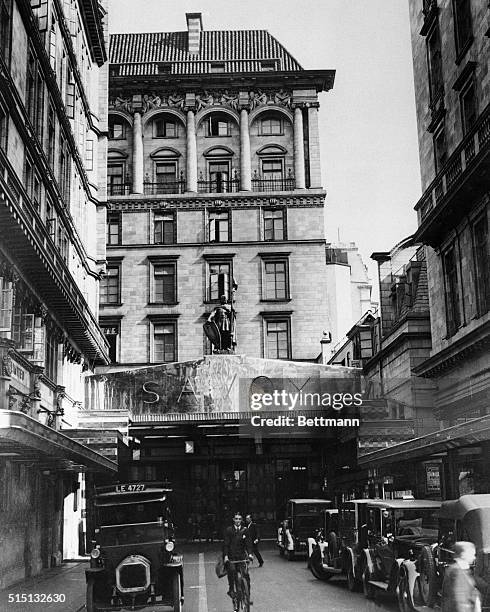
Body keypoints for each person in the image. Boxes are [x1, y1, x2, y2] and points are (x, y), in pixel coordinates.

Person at [223, 513, 253, 612]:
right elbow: (226, 544)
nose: (238, 520)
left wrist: (250, 554)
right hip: (232, 558)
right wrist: (226, 556)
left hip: (241, 557)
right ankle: (233, 593)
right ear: (233, 520)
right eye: (236, 519)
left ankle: (247, 596)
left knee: (246, 575)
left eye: (239, 519)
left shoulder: (245, 530)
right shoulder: (229, 530)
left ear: (241, 520)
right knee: (232, 573)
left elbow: (248, 544)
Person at [441, 541, 481, 612]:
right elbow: (460, 600)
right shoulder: (457, 571)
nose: (474, 557)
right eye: (472, 554)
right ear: (463, 555)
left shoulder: (461, 569)